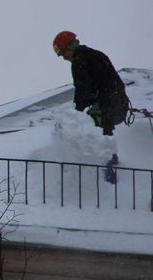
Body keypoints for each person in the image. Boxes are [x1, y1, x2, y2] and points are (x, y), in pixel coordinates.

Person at [53, 31, 128, 182]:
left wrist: (77, 112)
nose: (64, 58)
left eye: (63, 54)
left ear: (69, 48)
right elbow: (112, 80)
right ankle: (112, 159)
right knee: (106, 133)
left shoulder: (79, 62)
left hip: (103, 105)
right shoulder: (97, 54)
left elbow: (83, 90)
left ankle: (108, 179)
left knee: (100, 135)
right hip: (118, 101)